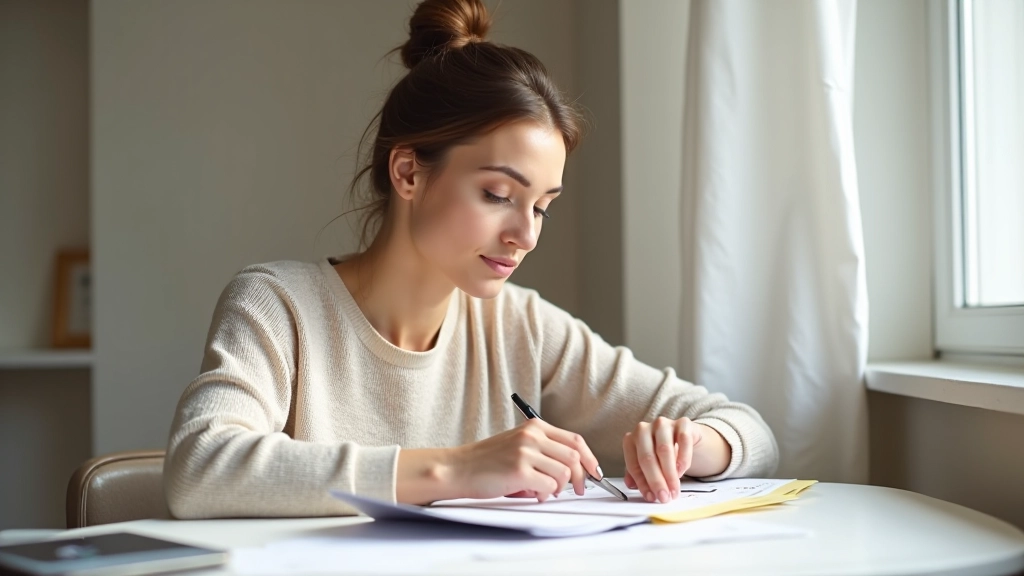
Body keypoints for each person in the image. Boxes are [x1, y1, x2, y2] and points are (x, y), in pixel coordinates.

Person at [163, 0, 778, 520]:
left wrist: (692, 442)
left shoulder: (521, 326)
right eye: (498, 195)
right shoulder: (279, 305)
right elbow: (201, 467)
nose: (525, 235)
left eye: (542, 206)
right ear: (408, 172)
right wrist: (458, 468)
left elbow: (751, 433)